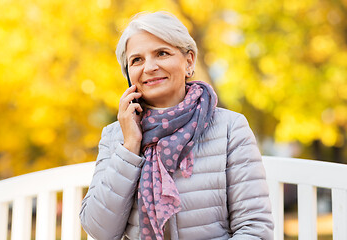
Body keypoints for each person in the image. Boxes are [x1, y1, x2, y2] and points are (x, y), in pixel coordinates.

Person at [80, 11, 274, 240]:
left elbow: (254, 229)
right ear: (129, 73)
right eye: (137, 60)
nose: (149, 67)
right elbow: (99, 231)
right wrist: (130, 146)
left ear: (189, 61)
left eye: (161, 53)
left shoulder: (230, 128)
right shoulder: (115, 136)